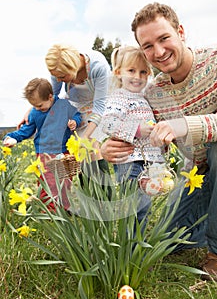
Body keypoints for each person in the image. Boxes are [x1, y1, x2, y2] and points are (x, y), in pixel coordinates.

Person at [101, 2, 217, 282]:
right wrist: (110, 147)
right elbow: (154, 140)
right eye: (147, 46)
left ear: (181, 32)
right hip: (198, 176)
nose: (158, 52)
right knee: (170, 240)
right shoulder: (156, 91)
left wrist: (183, 125)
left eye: (164, 39)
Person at [18, 44, 111, 176]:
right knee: (78, 150)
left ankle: (104, 193)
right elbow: (51, 97)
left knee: (91, 145)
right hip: (77, 104)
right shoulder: (59, 70)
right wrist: (32, 110)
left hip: (101, 103)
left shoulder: (97, 67)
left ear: (72, 69)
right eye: (55, 76)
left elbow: (100, 107)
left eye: (61, 77)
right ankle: (87, 192)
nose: (57, 80)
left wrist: (85, 137)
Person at [95, 45, 164, 223]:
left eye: (143, 72)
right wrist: (137, 129)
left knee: (144, 206)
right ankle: (132, 247)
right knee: (136, 206)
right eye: (131, 70)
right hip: (129, 161)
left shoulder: (142, 98)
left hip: (145, 162)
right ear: (118, 72)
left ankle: (138, 245)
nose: (137, 77)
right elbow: (108, 124)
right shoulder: (119, 97)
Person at [3, 78, 82, 211]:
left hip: (64, 150)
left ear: (50, 97)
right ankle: (50, 211)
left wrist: (75, 121)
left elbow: (77, 115)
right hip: (45, 152)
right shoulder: (35, 113)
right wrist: (12, 138)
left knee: (65, 181)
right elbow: (26, 130)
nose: (36, 109)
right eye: (34, 106)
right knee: (48, 182)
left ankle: (63, 208)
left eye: (39, 105)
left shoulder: (64, 105)